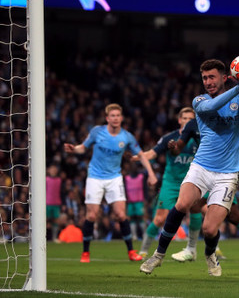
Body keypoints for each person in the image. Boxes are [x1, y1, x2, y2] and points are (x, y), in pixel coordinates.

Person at [140, 59, 239, 277]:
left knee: (210, 229)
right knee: (182, 203)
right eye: (204, 78)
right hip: (201, 167)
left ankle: (210, 255)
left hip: (227, 174)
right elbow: (213, 106)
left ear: (224, 78)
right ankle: (158, 255)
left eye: (212, 77)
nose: (208, 82)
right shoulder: (199, 101)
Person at [64, 103, 157, 263]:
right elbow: (83, 147)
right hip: (95, 177)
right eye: (112, 116)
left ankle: (131, 251)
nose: (115, 118)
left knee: (121, 214)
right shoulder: (97, 132)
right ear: (107, 118)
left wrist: (151, 173)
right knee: (92, 215)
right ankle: (85, 252)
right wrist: (74, 149)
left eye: (118, 115)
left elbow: (141, 155)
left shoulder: (127, 137)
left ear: (121, 118)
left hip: (114, 178)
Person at [137, 107, 199, 257]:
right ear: (179, 120)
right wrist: (138, 156)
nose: (187, 122)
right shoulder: (169, 138)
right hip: (171, 183)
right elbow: (152, 153)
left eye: (190, 119)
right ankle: (144, 251)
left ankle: (193, 248)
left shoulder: (199, 138)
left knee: (199, 211)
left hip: (192, 182)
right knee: (159, 219)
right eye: (184, 118)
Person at [124, 162, 146, 240]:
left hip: (139, 201)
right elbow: (125, 190)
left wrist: (146, 199)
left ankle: (144, 234)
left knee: (140, 217)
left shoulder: (141, 177)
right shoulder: (127, 178)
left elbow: (144, 188)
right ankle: (134, 235)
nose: (133, 168)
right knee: (132, 218)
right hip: (130, 201)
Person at [46, 164, 62, 241]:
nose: (53, 171)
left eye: (55, 169)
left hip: (56, 203)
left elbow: (61, 192)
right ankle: (44, 237)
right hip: (47, 203)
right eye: (52, 169)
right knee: (45, 220)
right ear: (48, 170)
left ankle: (54, 237)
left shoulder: (59, 180)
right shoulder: (46, 179)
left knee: (56, 220)